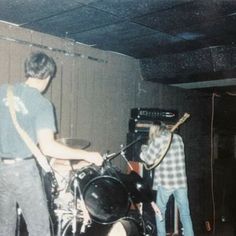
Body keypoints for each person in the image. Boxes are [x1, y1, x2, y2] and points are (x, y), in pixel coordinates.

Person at [0, 51, 104, 236]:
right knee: (40, 229)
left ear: (28, 70)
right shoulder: (42, 104)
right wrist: (86, 155)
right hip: (23, 171)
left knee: (4, 228)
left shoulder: (3, 91)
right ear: (48, 76)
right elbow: (49, 147)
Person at [140, 122, 194, 236]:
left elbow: (148, 159)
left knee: (160, 211)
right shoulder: (178, 138)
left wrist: (144, 148)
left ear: (154, 130)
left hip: (166, 182)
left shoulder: (158, 139)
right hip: (181, 181)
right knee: (185, 213)